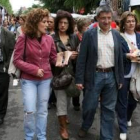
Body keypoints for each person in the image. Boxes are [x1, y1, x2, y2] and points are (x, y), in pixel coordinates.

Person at [75, 5, 124, 140]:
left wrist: (120, 78)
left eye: (109, 18)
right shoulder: (89, 35)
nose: (106, 21)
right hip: (94, 75)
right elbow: (82, 58)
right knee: (89, 106)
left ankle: (106, 137)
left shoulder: (115, 34)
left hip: (111, 76)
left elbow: (119, 57)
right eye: (103, 18)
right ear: (97, 19)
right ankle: (85, 125)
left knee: (108, 109)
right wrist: (79, 79)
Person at [13, 8, 57, 140]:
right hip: (28, 80)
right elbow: (17, 60)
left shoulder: (49, 39)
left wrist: (64, 58)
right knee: (30, 110)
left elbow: (53, 58)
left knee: (43, 111)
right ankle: (29, 136)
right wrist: (34, 69)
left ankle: (42, 136)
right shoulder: (23, 38)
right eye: (44, 21)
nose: (47, 24)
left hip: (46, 79)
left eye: (48, 21)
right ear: (35, 22)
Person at [52, 10, 79, 140]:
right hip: (58, 74)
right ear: (57, 23)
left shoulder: (73, 37)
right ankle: (63, 128)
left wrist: (75, 55)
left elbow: (79, 53)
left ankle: (64, 115)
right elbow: (48, 57)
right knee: (62, 101)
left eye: (66, 23)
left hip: (72, 73)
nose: (63, 25)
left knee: (68, 97)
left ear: (69, 24)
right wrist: (63, 56)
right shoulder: (51, 38)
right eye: (61, 22)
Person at [116, 11, 140, 140]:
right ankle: (122, 127)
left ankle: (128, 116)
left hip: (136, 74)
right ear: (123, 24)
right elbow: (116, 55)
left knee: (133, 101)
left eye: (133, 21)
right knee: (122, 102)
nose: (131, 23)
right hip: (124, 73)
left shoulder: (139, 36)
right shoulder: (119, 37)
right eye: (128, 21)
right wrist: (127, 56)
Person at [72, 17, 91, 111]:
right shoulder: (75, 36)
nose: (88, 28)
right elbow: (73, 49)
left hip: (88, 65)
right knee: (77, 84)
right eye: (85, 26)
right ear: (80, 27)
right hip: (77, 65)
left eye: (88, 26)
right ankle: (76, 103)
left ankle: (85, 104)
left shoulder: (90, 35)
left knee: (86, 86)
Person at [0, 12, 15, 125]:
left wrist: (7, 65)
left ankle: (1, 114)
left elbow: (12, 51)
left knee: (2, 92)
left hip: (2, 66)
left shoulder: (8, 34)